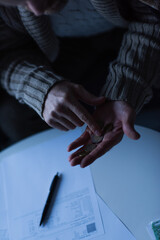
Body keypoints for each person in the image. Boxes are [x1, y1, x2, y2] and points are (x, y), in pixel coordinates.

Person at [0, 0, 159, 167]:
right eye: (21, 3)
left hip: (129, 28)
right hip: (61, 47)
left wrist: (126, 87)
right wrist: (43, 89)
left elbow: (152, 19)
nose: (37, 10)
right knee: (13, 118)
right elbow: (7, 53)